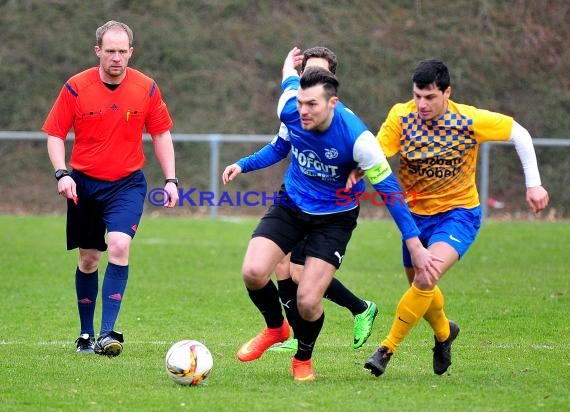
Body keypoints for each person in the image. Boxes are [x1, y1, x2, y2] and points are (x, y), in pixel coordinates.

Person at [224, 46, 441, 381]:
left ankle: (303, 359)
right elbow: (285, 98)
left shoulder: (358, 140)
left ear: (332, 103)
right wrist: (243, 164)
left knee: (309, 301)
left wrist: (413, 243)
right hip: (292, 203)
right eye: (300, 103)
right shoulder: (290, 110)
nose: (304, 111)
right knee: (253, 272)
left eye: (312, 105)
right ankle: (277, 329)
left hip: (334, 218)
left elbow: (391, 192)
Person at [363, 59, 549, 377]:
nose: (422, 104)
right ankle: (445, 333)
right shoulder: (401, 116)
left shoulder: (469, 119)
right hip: (413, 219)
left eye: (430, 97)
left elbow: (520, 134)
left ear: (447, 93)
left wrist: (533, 184)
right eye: (417, 96)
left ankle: (386, 349)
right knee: (422, 288)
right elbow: (376, 155)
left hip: (458, 215)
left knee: (425, 278)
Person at [223, 47, 378, 354]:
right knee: (281, 267)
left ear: (331, 82)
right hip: (296, 201)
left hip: (330, 213)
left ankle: (358, 309)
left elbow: (371, 153)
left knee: (298, 274)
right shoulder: (297, 110)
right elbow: (279, 147)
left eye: (319, 73)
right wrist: (243, 164)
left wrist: (360, 170)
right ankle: (288, 332)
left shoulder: (344, 123)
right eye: (307, 72)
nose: (312, 77)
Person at [42, 20, 178, 357]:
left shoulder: (146, 88)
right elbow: (55, 133)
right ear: (98, 51)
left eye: (122, 51)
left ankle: (107, 333)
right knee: (89, 259)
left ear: (131, 52)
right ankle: (86, 335)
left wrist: (171, 179)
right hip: (84, 184)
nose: (116, 57)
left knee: (119, 245)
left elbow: (160, 134)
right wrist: (62, 174)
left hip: (127, 184)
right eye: (110, 51)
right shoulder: (75, 87)